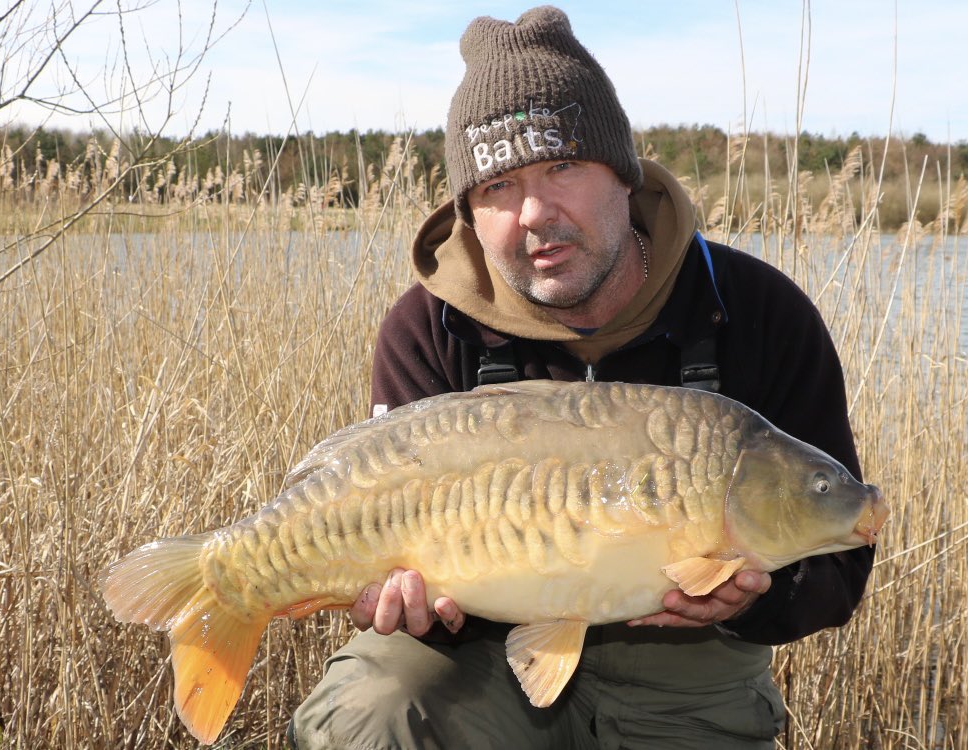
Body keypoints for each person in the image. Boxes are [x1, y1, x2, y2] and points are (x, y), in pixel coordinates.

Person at [289, 6, 874, 749]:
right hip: (473, 657)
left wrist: (745, 601)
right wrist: (388, 597)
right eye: (497, 185)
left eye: (561, 166)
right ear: (467, 210)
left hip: (688, 678)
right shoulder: (426, 328)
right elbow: (378, 540)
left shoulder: (756, 311)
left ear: (624, 175)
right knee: (372, 709)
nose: (533, 212)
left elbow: (840, 565)